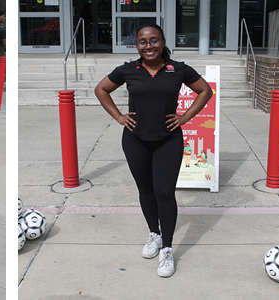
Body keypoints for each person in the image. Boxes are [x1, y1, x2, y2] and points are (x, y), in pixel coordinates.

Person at [94, 23, 212, 278]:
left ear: (162, 41)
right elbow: (101, 90)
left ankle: (167, 249)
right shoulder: (128, 70)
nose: (148, 46)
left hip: (168, 139)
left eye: (153, 40)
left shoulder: (178, 69)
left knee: (165, 192)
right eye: (142, 42)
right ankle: (154, 235)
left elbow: (205, 91)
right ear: (137, 45)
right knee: (146, 189)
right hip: (135, 139)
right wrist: (118, 117)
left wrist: (184, 117)